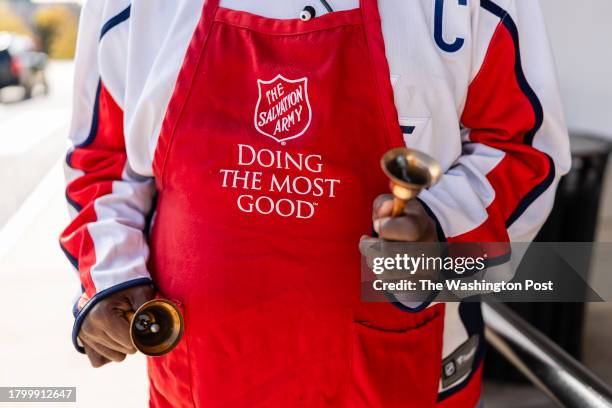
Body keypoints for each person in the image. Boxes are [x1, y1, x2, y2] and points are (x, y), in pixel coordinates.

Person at [60, 0, 570, 406]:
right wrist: (109, 276)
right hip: (197, 383)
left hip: (404, 379)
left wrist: (442, 233)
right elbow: (102, 162)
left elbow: (526, 149)